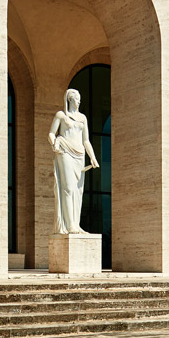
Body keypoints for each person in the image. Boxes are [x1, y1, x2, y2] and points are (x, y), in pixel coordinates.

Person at [48, 88, 100, 234]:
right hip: (64, 150)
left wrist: (93, 157)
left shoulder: (83, 118)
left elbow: (86, 140)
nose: (79, 101)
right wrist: (54, 144)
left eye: (80, 99)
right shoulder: (61, 115)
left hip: (79, 154)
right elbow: (52, 133)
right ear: (70, 99)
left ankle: (75, 224)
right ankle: (69, 224)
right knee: (68, 188)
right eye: (77, 99)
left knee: (78, 191)